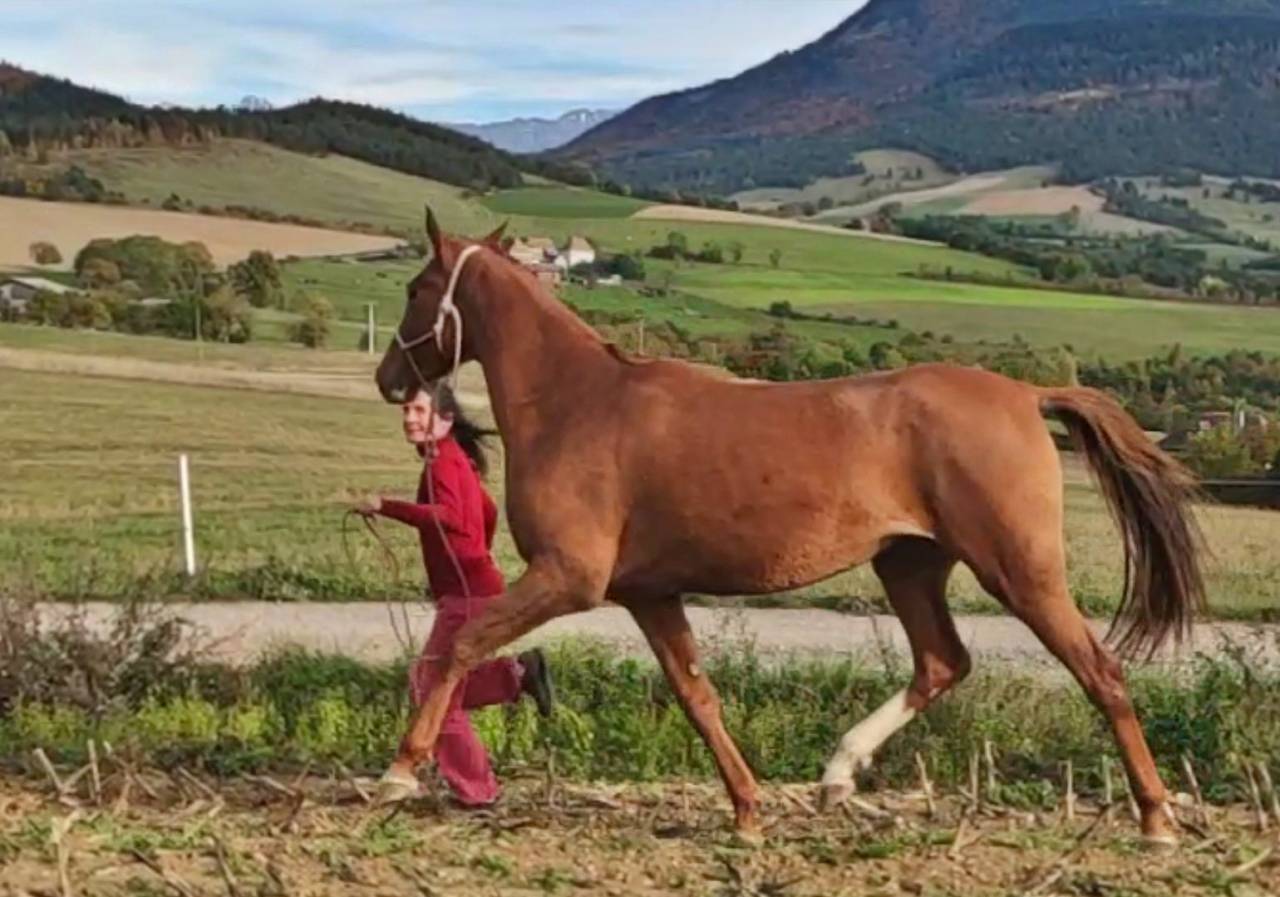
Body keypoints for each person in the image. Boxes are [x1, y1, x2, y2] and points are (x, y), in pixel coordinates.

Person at [354, 383, 553, 808]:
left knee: (432, 691)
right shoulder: (457, 458)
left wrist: (384, 505)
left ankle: (477, 791)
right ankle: (517, 675)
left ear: (444, 419)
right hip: (475, 586)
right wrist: (477, 554)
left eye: (419, 410)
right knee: (446, 684)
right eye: (406, 411)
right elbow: (485, 512)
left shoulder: (442, 461)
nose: (409, 418)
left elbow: (450, 517)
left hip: (465, 593)